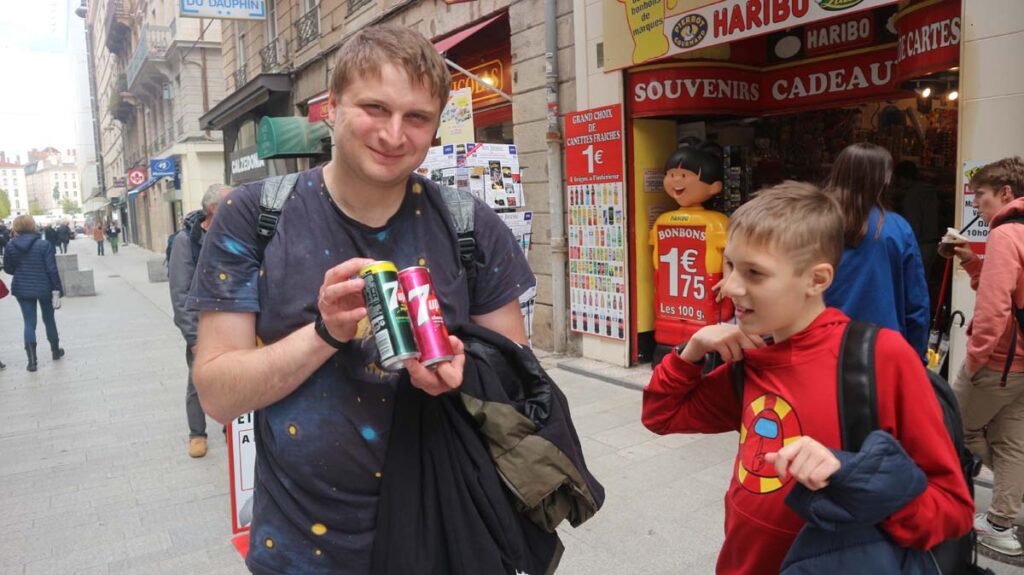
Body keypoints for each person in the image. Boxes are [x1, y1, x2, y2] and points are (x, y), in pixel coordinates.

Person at [188, 25, 534, 574]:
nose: (394, 134)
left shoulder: (470, 225)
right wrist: (325, 333)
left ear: (434, 126)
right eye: (375, 108)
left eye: (416, 117)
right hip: (302, 552)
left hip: (446, 532)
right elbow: (218, 395)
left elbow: (520, 385)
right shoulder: (253, 217)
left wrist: (465, 375)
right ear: (332, 107)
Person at [642, 182, 972, 574]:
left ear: (817, 280)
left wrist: (848, 472)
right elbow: (661, 416)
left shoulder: (880, 359)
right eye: (730, 265)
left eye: (754, 273)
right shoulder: (753, 359)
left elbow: (951, 510)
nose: (728, 287)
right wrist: (692, 349)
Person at [943, 156, 1024, 556]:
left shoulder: (1005, 235)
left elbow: (994, 308)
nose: (976, 205)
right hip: (1021, 362)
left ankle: (987, 513)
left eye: (982, 197)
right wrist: (970, 261)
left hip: (998, 362)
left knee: (955, 427)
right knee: (1012, 442)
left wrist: (974, 360)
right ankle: (1000, 523)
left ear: (1006, 193)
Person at [822, 143, 930, 360]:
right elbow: (916, 305)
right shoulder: (897, 229)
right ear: (885, 179)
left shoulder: (813, 224)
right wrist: (917, 358)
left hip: (821, 348)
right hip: (881, 353)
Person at [168, 184, 232, 459]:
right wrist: (192, 336)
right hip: (202, 327)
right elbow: (180, 292)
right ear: (214, 208)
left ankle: (231, 427)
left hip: (232, 323)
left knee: (234, 377)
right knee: (198, 380)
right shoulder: (186, 241)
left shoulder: (234, 233)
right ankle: (197, 433)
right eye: (231, 202)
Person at [3, 215, 65, 372]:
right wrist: (57, 288)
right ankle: (55, 351)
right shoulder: (44, 245)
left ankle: (32, 361)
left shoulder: (10, 246)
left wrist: (21, 270)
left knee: (29, 322)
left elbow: (8, 269)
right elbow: (52, 269)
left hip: (22, 288)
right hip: (45, 287)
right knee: (49, 319)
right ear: (32, 226)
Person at [892, 160, 941, 277]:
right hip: (932, 243)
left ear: (902, 178)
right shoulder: (930, 190)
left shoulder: (912, 195)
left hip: (920, 245)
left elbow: (914, 224)